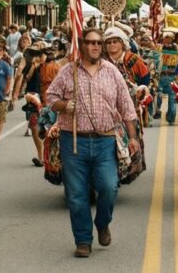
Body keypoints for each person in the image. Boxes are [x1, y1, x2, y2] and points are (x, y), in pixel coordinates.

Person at [48, 27, 140, 258]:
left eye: (99, 43)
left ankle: (102, 222)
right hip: (74, 141)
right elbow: (50, 97)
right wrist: (64, 105)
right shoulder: (68, 72)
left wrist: (133, 138)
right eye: (90, 43)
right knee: (77, 195)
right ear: (82, 45)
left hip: (105, 141)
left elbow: (126, 107)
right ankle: (83, 240)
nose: (95, 47)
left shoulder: (112, 72)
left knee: (109, 187)